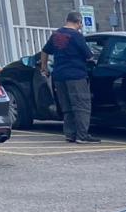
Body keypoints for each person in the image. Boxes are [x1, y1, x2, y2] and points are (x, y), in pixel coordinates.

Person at [42, 12, 101, 143]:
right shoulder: (76, 36)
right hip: (76, 76)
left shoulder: (56, 34)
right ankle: (82, 136)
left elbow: (45, 50)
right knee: (81, 106)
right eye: (80, 24)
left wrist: (44, 67)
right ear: (78, 22)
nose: (80, 26)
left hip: (59, 76)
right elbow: (89, 56)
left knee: (67, 106)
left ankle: (70, 134)